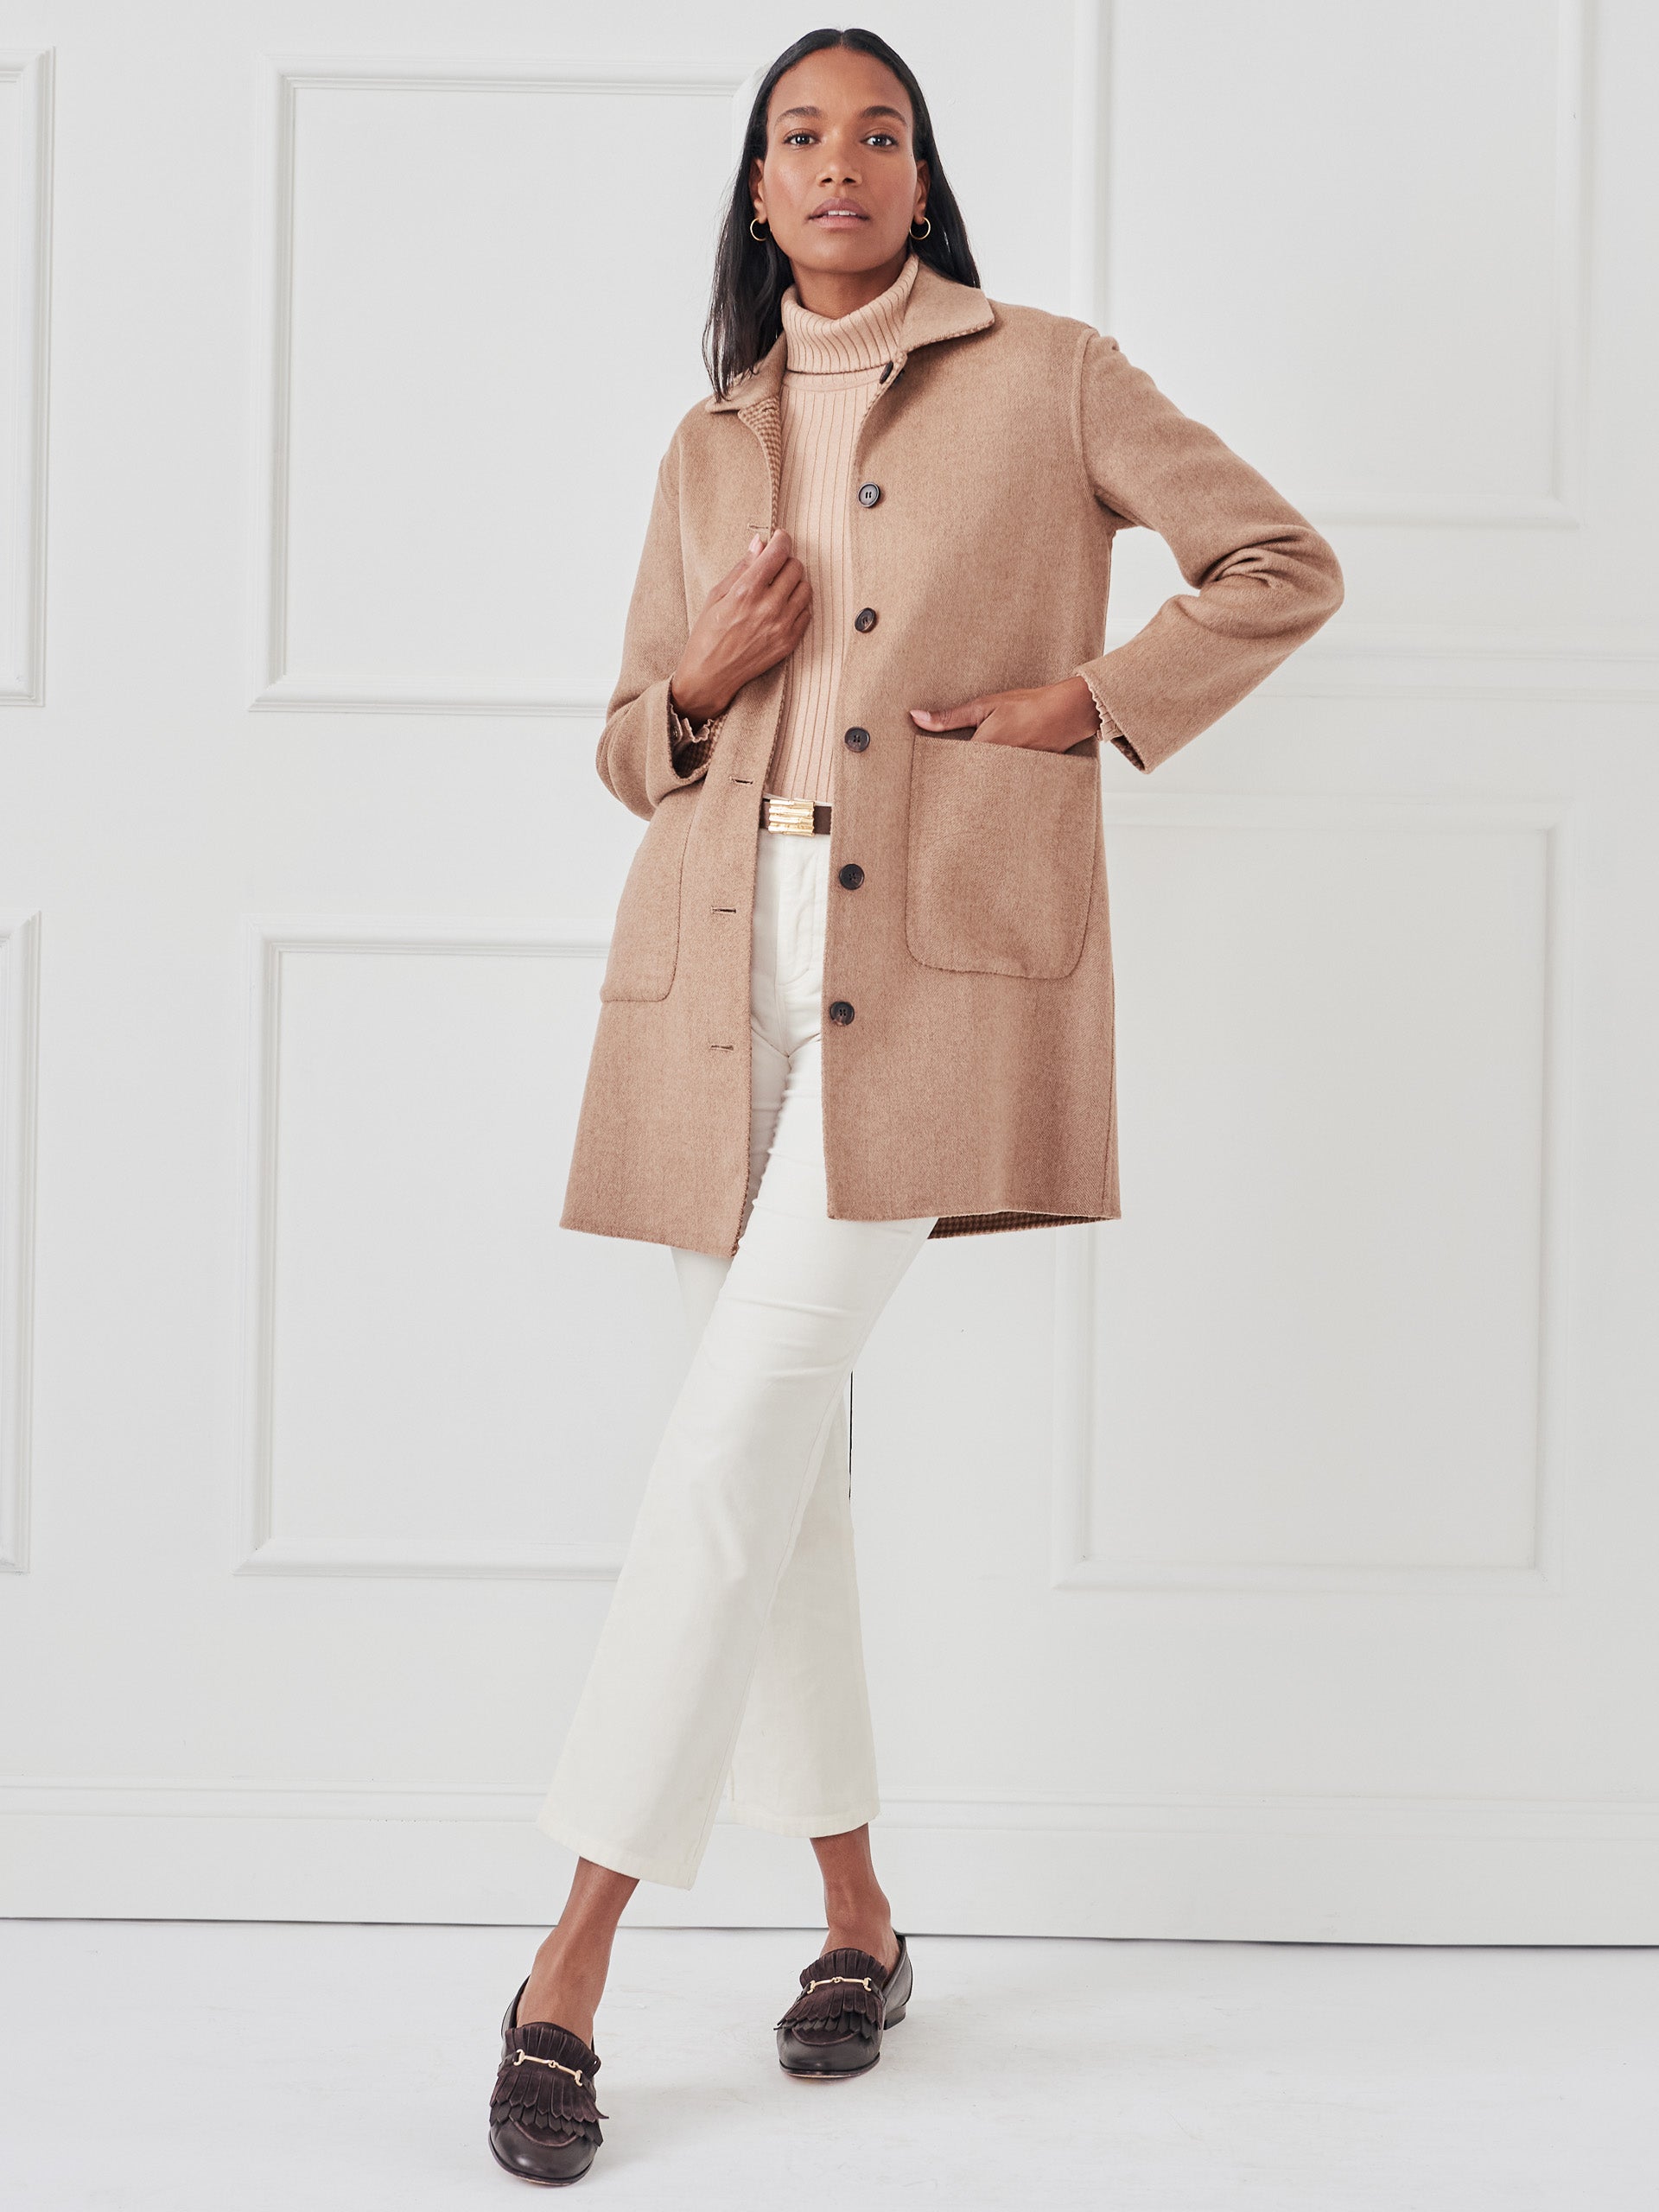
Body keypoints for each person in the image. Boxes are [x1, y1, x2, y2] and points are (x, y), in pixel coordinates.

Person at [487, 25, 1344, 2186]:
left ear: (924, 176)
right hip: (712, 979)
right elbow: (627, 744)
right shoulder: (708, 437)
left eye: (880, 133)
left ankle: (568, 1961)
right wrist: (701, 677)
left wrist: (1090, 700)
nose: (841, 163)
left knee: (728, 1447)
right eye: (802, 136)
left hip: (927, 983)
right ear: (757, 188)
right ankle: (859, 1916)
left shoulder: (1052, 375)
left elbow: (1278, 561)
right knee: (784, 1479)